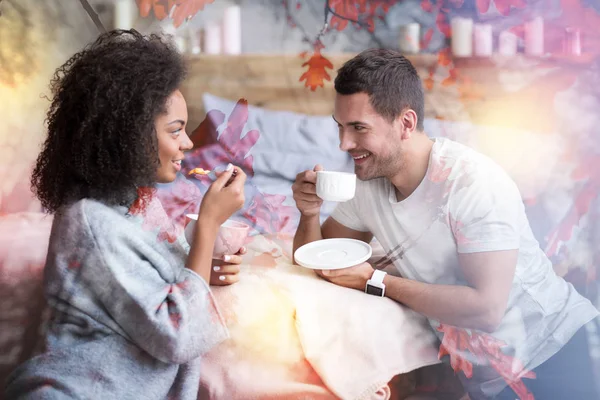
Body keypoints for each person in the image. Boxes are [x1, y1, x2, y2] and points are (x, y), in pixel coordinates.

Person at [292, 48, 600, 399]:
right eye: (341, 128)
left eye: (359, 128)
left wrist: (376, 280)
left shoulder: (472, 183)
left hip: (556, 354)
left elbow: (487, 309)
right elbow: (316, 260)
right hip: (489, 379)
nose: (344, 144)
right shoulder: (368, 182)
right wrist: (309, 212)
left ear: (406, 123)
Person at [5, 30, 246, 400]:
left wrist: (202, 267)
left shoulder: (141, 203)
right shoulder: (89, 222)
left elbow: (151, 288)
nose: (188, 143)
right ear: (130, 135)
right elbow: (178, 334)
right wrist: (208, 225)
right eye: (175, 130)